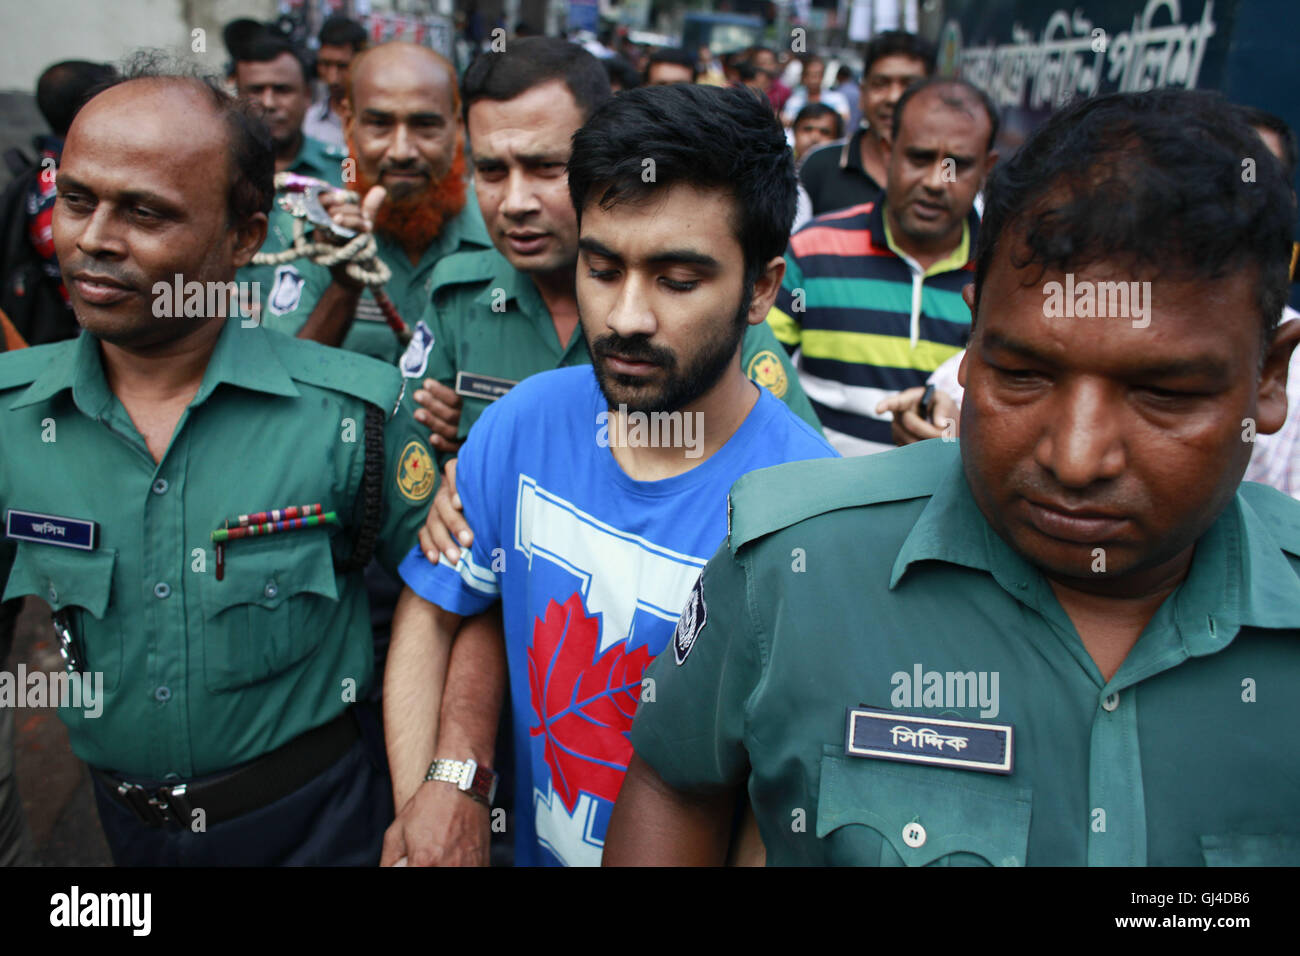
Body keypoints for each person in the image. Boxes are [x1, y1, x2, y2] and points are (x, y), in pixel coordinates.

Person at [607, 88, 1300, 866]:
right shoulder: (788, 568)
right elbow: (675, 785)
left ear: (1269, 377)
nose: (1075, 458)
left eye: (1163, 394)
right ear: (972, 336)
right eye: (1024, 374)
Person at [383, 82, 838, 867]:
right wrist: (435, 798)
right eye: (603, 268)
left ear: (762, 288)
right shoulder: (522, 423)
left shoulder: (810, 515)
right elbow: (437, 614)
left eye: (678, 280)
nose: (626, 316)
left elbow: (780, 805)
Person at [0, 57, 435, 866]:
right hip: (123, 832)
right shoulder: (13, 419)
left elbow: (449, 602)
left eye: (145, 213)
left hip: (321, 828)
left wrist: (440, 786)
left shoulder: (355, 415)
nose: (94, 241)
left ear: (243, 236)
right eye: (77, 200)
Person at [405, 38, 820, 461]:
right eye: (491, 171)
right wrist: (466, 474)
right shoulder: (456, 296)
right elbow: (410, 465)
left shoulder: (724, 324)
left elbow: (793, 477)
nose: (515, 202)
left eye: (546, 167)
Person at [768, 78, 998, 455]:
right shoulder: (812, 250)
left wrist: (961, 435)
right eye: (919, 158)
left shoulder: (1007, 272)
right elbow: (760, 377)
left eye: (957, 165)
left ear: (986, 169)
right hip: (821, 502)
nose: (936, 182)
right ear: (888, 153)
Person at [263, 42, 492, 366]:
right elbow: (279, 383)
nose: (401, 151)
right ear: (348, 125)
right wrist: (343, 289)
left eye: (425, 125)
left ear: (458, 128)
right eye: (380, 124)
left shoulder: (501, 234)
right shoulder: (309, 234)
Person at [0, 60, 116, 347]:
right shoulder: (56, 184)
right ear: (90, 108)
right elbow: (83, 279)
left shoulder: (60, 172)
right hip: (70, 345)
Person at [799, 31, 934, 217]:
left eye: (909, 85)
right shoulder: (819, 166)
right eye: (881, 84)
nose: (893, 98)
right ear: (863, 94)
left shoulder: (947, 175)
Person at [305, 15, 367, 148]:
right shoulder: (308, 122)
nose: (333, 78)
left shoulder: (378, 120)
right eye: (325, 64)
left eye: (343, 66)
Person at [780, 56, 850, 130]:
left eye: (817, 75)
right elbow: (786, 122)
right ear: (804, 77)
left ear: (822, 76)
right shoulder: (794, 101)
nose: (814, 79)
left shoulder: (836, 99)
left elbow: (844, 120)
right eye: (810, 75)